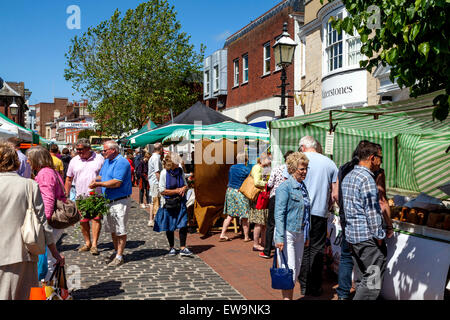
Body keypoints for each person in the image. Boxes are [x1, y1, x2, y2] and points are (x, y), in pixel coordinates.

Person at [0, 142, 64, 300]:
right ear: (16, 160)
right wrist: (55, 253)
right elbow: (42, 223)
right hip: (22, 254)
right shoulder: (29, 185)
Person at [335, 141, 393, 300]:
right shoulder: (367, 178)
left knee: (362, 278)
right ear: (373, 158)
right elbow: (372, 211)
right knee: (372, 283)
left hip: (354, 236)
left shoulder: (349, 176)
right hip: (367, 239)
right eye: (380, 157)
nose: (381, 161)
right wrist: (379, 235)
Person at [298, 136, 338, 297]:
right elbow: (335, 194)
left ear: (303, 147)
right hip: (319, 212)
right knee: (317, 248)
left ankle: (304, 284)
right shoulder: (329, 163)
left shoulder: (299, 160)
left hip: (300, 211)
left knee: (302, 247)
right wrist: (327, 205)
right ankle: (314, 285)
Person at [26, 146, 67, 282]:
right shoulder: (51, 171)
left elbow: (48, 199)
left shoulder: (44, 174)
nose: (27, 161)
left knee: (48, 257)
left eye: (29, 158)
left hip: (50, 221)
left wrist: (44, 221)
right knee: (48, 256)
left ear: (37, 159)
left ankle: (47, 287)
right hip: (54, 221)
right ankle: (49, 285)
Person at [274, 152, 311, 300]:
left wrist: (307, 234)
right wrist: (279, 238)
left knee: (295, 271)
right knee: (289, 269)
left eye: (306, 168)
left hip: (300, 232)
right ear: (292, 168)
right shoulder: (285, 187)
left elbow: (307, 214)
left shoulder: (303, 187)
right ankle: (287, 299)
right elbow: (279, 213)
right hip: (288, 232)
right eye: (301, 169)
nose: (305, 172)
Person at [89, 141, 132, 267]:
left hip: (120, 200)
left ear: (113, 150)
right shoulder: (107, 161)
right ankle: (116, 251)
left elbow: (116, 182)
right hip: (109, 201)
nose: (103, 152)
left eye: (105, 150)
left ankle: (119, 256)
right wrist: (95, 179)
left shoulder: (121, 162)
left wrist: (98, 184)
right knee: (113, 230)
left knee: (120, 230)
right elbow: (103, 176)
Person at [65, 138, 104, 256]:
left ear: (89, 148)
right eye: (77, 149)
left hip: (96, 195)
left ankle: (94, 245)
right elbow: (68, 178)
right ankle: (87, 243)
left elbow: (105, 175)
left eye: (81, 149)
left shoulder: (99, 159)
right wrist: (66, 195)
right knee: (83, 220)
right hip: (80, 196)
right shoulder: (74, 161)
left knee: (96, 219)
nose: (79, 152)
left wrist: (97, 180)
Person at [154, 152, 193, 257]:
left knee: (183, 224)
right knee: (170, 226)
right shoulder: (164, 173)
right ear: (172, 163)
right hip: (169, 203)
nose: (179, 164)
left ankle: (183, 248)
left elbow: (185, 184)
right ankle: (171, 247)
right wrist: (176, 191)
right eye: (177, 162)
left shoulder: (179, 171)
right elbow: (162, 190)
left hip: (180, 202)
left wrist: (183, 188)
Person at [260, 150, 294, 259]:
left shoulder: (277, 169)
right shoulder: (294, 171)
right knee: (285, 223)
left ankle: (267, 251)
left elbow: (269, 184)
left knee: (271, 224)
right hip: (289, 198)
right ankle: (285, 250)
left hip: (275, 197)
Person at [219, 151, 251, 242]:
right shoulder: (246, 169)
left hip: (230, 191)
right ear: (245, 158)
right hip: (239, 192)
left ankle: (222, 234)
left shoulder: (232, 168)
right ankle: (246, 236)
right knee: (245, 215)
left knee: (230, 215)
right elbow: (248, 181)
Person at [248, 152, 271, 252]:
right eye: (269, 159)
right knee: (259, 222)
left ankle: (263, 243)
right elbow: (257, 182)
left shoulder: (264, 168)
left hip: (263, 197)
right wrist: (268, 183)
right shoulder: (257, 168)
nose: (270, 161)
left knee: (263, 222)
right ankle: (256, 244)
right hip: (259, 198)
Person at [148, 143, 163, 227]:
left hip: (153, 182)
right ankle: (155, 220)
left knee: (153, 201)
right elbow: (157, 172)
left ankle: (151, 219)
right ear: (160, 149)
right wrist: (161, 183)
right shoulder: (156, 158)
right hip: (155, 182)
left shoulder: (152, 157)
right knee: (156, 201)